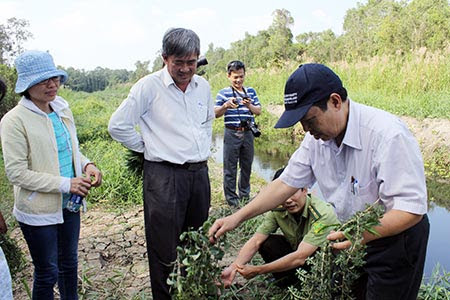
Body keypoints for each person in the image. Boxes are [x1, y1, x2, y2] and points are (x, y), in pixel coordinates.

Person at [209, 63, 429, 300]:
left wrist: (357, 235)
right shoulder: (316, 140)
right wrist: (236, 217)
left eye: (309, 120)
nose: (306, 129)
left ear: (335, 101)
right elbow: (285, 184)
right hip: (353, 239)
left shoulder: (387, 135)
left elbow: (410, 209)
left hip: (395, 241)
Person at [108, 28, 214, 300]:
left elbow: (207, 123)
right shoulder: (148, 87)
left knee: (197, 239)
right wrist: (147, 147)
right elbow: (117, 126)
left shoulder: (203, 87)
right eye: (179, 62)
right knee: (164, 248)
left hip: (198, 174)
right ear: (165, 58)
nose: (186, 69)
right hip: (164, 177)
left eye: (191, 62)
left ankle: (191, 292)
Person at [0, 50, 102, 300]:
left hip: (70, 205)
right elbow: (17, 173)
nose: (52, 84)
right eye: (44, 80)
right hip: (38, 211)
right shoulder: (14, 121)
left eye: (54, 78)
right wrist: (67, 184)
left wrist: (87, 165)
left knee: (69, 266)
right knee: (47, 271)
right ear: (27, 85)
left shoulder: (61, 109)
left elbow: (69, 148)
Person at [221, 167, 339, 288]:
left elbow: (301, 256)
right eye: (283, 195)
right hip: (297, 254)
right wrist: (234, 267)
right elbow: (256, 240)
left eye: (292, 193)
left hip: (319, 263)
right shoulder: (277, 210)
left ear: (304, 189)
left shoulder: (322, 214)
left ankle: (310, 285)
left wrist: (259, 270)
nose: (288, 200)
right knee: (267, 243)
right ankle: (288, 282)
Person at [215, 60, 261, 207]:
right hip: (231, 132)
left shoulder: (251, 91)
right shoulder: (223, 93)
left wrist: (249, 105)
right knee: (230, 167)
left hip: (247, 133)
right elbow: (216, 113)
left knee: (246, 166)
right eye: (235, 77)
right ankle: (232, 200)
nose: (239, 80)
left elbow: (258, 111)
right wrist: (226, 105)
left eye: (241, 76)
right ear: (229, 76)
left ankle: (244, 196)